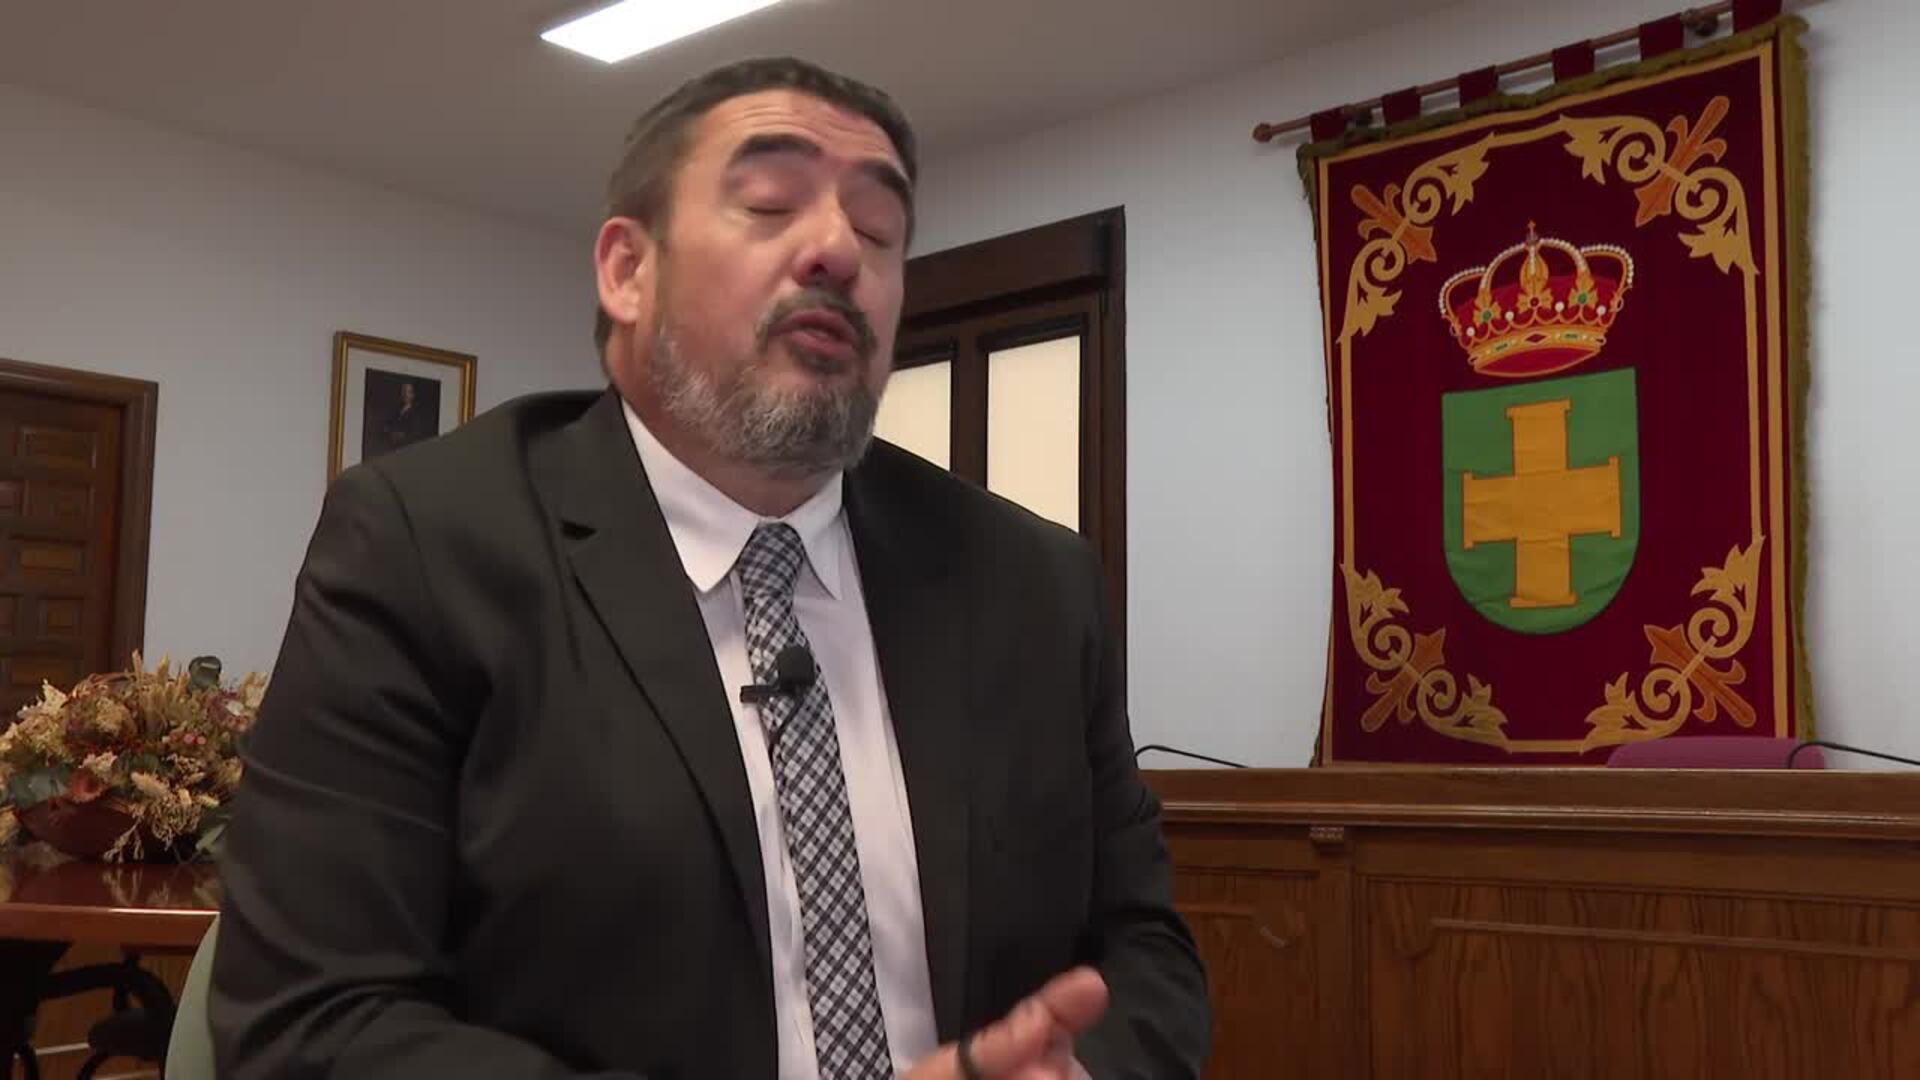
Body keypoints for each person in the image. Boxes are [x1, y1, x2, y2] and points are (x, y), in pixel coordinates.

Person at [212, 57, 1209, 1079]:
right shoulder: (423, 548)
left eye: (879, 230)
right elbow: (312, 1021)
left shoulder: (1034, 583)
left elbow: (1145, 955)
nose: (837, 249)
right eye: (770, 205)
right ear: (627, 272)